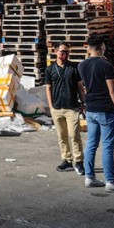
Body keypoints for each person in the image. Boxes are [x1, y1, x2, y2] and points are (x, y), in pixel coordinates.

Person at [77, 35, 114, 193]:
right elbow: (112, 90)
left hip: (91, 107)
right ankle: (110, 181)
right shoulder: (106, 65)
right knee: (107, 145)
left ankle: (90, 176)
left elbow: (83, 87)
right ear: (102, 47)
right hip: (105, 108)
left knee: (91, 143)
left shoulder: (81, 65)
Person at [44, 43, 85, 175]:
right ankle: (66, 159)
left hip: (72, 106)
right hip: (57, 107)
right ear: (55, 52)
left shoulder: (74, 68)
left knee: (74, 135)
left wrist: (84, 103)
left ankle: (78, 161)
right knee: (62, 136)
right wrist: (50, 106)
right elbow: (48, 88)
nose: (64, 55)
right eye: (62, 52)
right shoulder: (50, 69)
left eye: (67, 52)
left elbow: (80, 86)